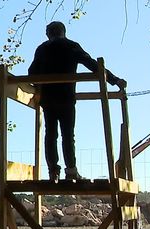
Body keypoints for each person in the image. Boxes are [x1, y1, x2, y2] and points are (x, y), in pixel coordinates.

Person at [28, 21, 126, 181]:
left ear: (48, 34)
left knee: (50, 134)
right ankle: (71, 171)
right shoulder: (71, 46)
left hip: (48, 99)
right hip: (66, 98)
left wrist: (39, 87)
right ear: (63, 32)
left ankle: (53, 171)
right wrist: (115, 80)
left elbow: (31, 73)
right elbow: (93, 65)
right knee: (68, 134)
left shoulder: (42, 49)